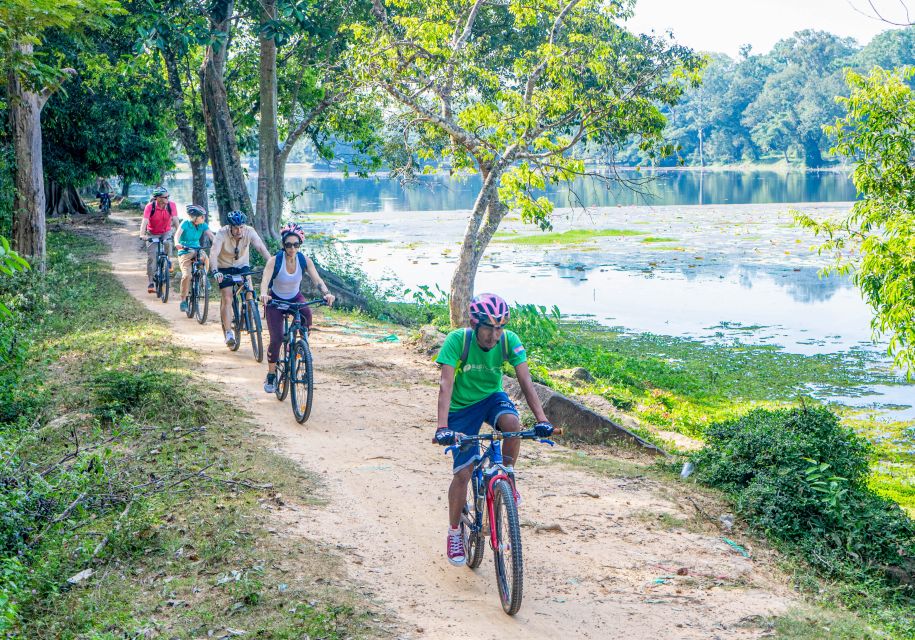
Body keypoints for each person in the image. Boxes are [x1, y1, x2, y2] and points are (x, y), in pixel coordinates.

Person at [433, 293, 553, 566]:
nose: (494, 335)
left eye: (500, 328)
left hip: (491, 399)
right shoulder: (457, 341)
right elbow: (445, 385)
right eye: (489, 328)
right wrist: (442, 427)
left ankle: (507, 475)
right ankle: (454, 532)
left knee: (512, 425)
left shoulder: (509, 341)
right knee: (463, 473)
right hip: (461, 408)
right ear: (476, 325)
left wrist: (542, 419)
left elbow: (526, 381)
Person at [259, 222, 335, 393]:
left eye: (295, 244)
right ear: (283, 245)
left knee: (307, 316)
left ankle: (301, 348)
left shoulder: (304, 260)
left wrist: (327, 293)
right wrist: (264, 294)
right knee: (276, 338)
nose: (292, 248)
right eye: (288, 245)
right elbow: (265, 281)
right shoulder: (274, 261)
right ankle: (271, 375)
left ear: (300, 244)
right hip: (276, 301)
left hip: (295, 298)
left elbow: (317, 280)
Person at [209, 210, 272, 347]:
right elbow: (214, 253)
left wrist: (271, 264)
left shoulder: (249, 231)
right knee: (227, 298)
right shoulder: (221, 233)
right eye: (236, 228)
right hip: (224, 267)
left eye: (241, 227)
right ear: (230, 227)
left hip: (242, 266)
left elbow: (261, 248)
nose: (239, 230)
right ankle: (229, 333)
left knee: (249, 293)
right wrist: (215, 271)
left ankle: (249, 314)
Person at [174, 205, 216, 313]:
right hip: (185, 251)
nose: (203, 218)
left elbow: (211, 236)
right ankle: (183, 300)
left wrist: (218, 244)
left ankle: (204, 277)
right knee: (187, 275)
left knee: (205, 257)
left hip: (197, 249)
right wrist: (177, 243)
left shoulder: (203, 225)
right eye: (201, 216)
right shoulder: (185, 223)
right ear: (194, 217)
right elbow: (177, 235)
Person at [139, 187, 178, 293]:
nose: (167, 198)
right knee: (152, 258)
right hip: (152, 233)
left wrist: (179, 233)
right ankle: (151, 282)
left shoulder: (171, 205)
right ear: (158, 198)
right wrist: (142, 234)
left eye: (168, 196)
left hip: (166, 231)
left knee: (168, 242)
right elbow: (145, 221)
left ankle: (168, 261)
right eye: (165, 197)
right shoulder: (150, 207)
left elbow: (175, 219)